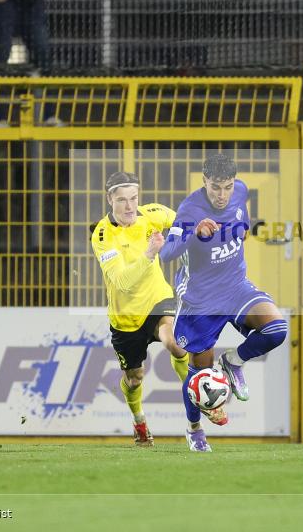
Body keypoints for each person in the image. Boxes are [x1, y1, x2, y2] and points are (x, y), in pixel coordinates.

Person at [160, 154, 289, 452]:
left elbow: (239, 217)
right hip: (201, 300)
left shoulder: (240, 191)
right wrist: (194, 233)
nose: (222, 194)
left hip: (235, 287)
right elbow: (167, 254)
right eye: (216, 187)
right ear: (204, 181)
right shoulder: (189, 209)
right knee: (199, 374)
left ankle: (233, 361)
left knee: (277, 330)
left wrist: (242, 229)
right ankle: (194, 430)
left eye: (227, 187)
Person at [91, 172, 191, 447]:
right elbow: (122, 282)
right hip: (126, 319)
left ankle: (198, 394)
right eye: (122, 200)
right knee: (134, 379)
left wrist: (181, 242)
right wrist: (150, 253)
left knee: (175, 342)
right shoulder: (102, 235)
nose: (129, 206)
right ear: (110, 199)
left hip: (157, 299)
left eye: (133, 198)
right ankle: (139, 421)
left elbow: (184, 221)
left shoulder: (152, 213)